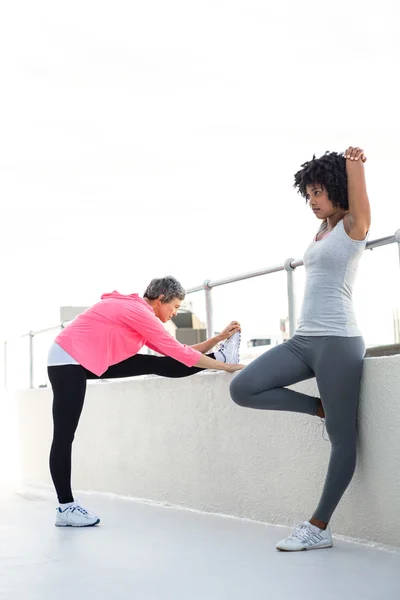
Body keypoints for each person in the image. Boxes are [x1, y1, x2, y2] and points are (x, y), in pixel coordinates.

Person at [230, 146, 371, 551]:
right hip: (303, 340)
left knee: (343, 437)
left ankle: (319, 526)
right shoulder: (323, 229)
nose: (311, 200)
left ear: (337, 189)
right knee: (243, 387)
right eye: (307, 193)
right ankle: (318, 408)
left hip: (338, 342)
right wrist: (313, 404)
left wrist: (354, 165)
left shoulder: (352, 225)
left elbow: (358, 198)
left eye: (317, 192)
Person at [47, 276, 243, 527]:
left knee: (155, 363)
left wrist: (215, 343)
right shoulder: (138, 312)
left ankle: (221, 353)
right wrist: (224, 365)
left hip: (83, 357)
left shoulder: (138, 313)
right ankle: (65, 507)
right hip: (68, 360)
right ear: (161, 299)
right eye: (174, 306)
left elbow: (173, 351)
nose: (175, 312)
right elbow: (177, 352)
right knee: (64, 435)